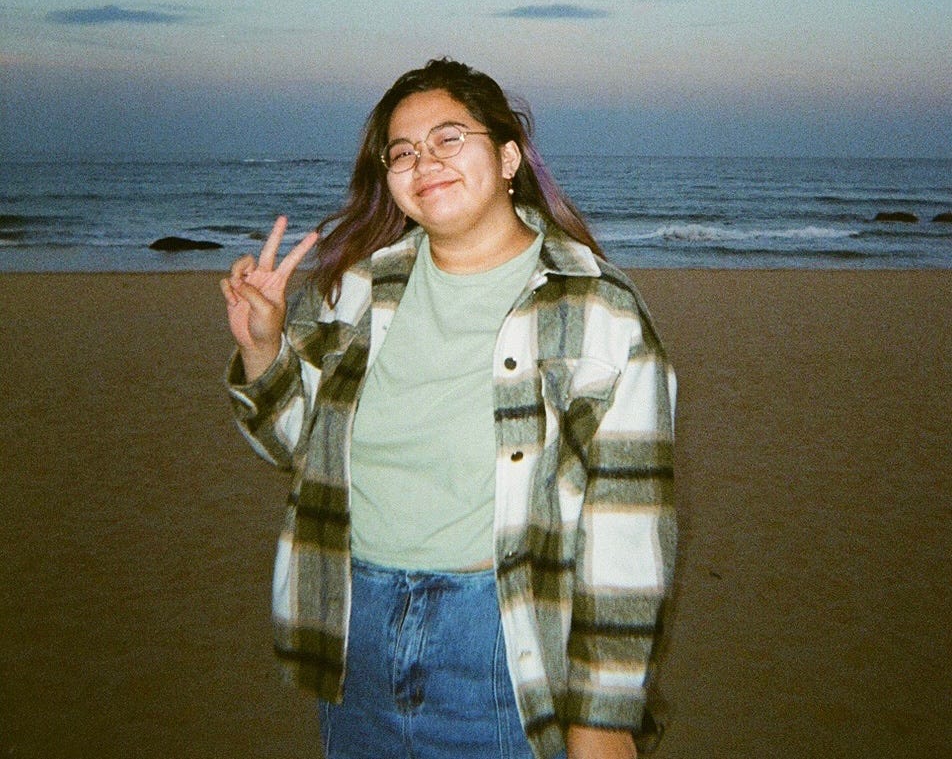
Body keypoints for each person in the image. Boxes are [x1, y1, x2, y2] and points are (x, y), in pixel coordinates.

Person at [221, 58, 677, 759]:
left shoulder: (596, 308)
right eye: (401, 151)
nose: (422, 160)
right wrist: (262, 351)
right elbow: (292, 442)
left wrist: (603, 718)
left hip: (499, 637)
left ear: (508, 156)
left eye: (448, 138)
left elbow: (628, 530)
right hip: (354, 628)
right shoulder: (355, 291)